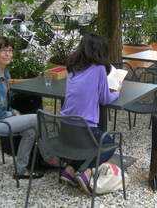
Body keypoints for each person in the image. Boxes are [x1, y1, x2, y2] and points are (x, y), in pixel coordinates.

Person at [0, 36, 43, 179]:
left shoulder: (4, 73)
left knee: (29, 131)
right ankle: (52, 157)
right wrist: (10, 114)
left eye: (10, 50)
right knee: (37, 118)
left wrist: (12, 111)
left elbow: (4, 102)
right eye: (4, 51)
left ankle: (21, 170)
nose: (8, 54)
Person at [60, 33, 120, 194]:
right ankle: (86, 173)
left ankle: (70, 170)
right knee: (108, 144)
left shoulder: (72, 67)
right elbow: (105, 99)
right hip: (84, 127)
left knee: (87, 143)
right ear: (100, 51)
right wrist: (117, 92)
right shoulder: (99, 69)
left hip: (65, 127)